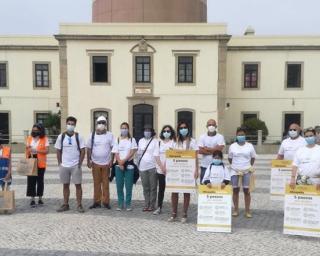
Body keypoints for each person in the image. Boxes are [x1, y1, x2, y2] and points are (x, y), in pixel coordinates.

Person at [168, 121, 199, 224]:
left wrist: (196, 170)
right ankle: (174, 213)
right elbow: (170, 155)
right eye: (181, 128)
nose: (183, 129)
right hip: (176, 170)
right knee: (174, 191)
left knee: (187, 192)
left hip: (188, 170)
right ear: (178, 130)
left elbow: (196, 157)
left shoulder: (193, 142)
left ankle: (184, 214)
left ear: (188, 128)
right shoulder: (174, 141)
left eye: (185, 127)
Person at [55, 116, 86, 213]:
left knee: (78, 185)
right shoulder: (61, 137)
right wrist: (60, 163)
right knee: (65, 185)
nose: (70, 126)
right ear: (66, 124)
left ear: (75, 125)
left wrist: (80, 163)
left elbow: (82, 151)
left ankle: (79, 204)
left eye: (72, 124)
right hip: (64, 165)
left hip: (75, 165)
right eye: (69, 124)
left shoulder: (79, 137)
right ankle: (65, 204)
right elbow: (58, 150)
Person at [228, 127, 256, 218]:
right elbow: (230, 158)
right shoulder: (232, 146)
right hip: (235, 170)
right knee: (235, 190)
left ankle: (247, 211)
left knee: (246, 191)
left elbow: (253, 158)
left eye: (242, 135)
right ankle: (235, 209)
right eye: (239, 135)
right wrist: (236, 167)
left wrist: (248, 167)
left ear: (245, 135)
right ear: (236, 135)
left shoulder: (250, 146)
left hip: (246, 170)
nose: (241, 136)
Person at [87, 116, 114, 210]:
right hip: (95, 162)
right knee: (96, 183)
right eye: (99, 122)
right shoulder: (92, 135)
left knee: (106, 183)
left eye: (103, 122)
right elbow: (89, 148)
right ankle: (97, 202)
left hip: (106, 163)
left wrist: (112, 160)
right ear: (96, 124)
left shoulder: (110, 135)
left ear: (106, 124)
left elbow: (112, 148)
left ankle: (106, 202)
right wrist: (88, 160)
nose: (101, 124)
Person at [112, 122, 138, 211]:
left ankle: (128, 204)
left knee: (128, 186)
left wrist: (123, 161)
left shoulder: (132, 140)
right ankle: (120, 204)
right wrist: (119, 162)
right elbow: (116, 152)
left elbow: (132, 151)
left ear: (128, 129)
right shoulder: (117, 139)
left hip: (129, 165)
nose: (124, 130)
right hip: (118, 166)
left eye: (125, 128)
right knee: (119, 185)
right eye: (122, 128)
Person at [153, 125, 176, 215]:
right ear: (162, 132)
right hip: (161, 170)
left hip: (171, 170)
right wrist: (162, 167)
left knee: (173, 190)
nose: (166, 132)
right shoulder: (159, 143)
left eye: (168, 131)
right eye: (165, 131)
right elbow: (156, 155)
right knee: (161, 189)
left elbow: (174, 155)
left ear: (171, 132)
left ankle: (174, 209)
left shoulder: (173, 143)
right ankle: (159, 207)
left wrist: (167, 166)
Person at [25, 123, 49, 207]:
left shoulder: (44, 139)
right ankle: (32, 199)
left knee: (40, 181)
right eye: (33, 130)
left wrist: (37, 150)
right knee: (31, 181)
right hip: (31, 160)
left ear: (40, 130)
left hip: (40, 163)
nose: (34, 131)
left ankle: (40, 198)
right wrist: (28, 148)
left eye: (36, 130)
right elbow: (27, 148)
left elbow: (47, 151)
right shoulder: (29, 138)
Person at [137, 124, 158, 212]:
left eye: (149, 130)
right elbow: (138, 154)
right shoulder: (141, 141)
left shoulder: (155, 141)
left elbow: (156, 154)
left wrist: (157, 166)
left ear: (152, 132)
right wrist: (137, 164)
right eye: (145, 130)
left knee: (153, 187)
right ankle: (146, 204)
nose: (147, 132)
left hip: (152, 167)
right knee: (145, 187)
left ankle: (152, 205)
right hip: (142, 167)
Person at [198, 119, 225, 184]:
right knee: (203, 186)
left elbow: (220, 149)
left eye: (213, 125)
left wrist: (207, 149)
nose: (211, 126)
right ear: (206, 126)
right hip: (205, 165)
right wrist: (214, 150)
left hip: (217, 165)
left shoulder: (220, 137)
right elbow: (200, 150)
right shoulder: (202, 137)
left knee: (216, 186)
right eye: (209, 125)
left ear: (216, 126)